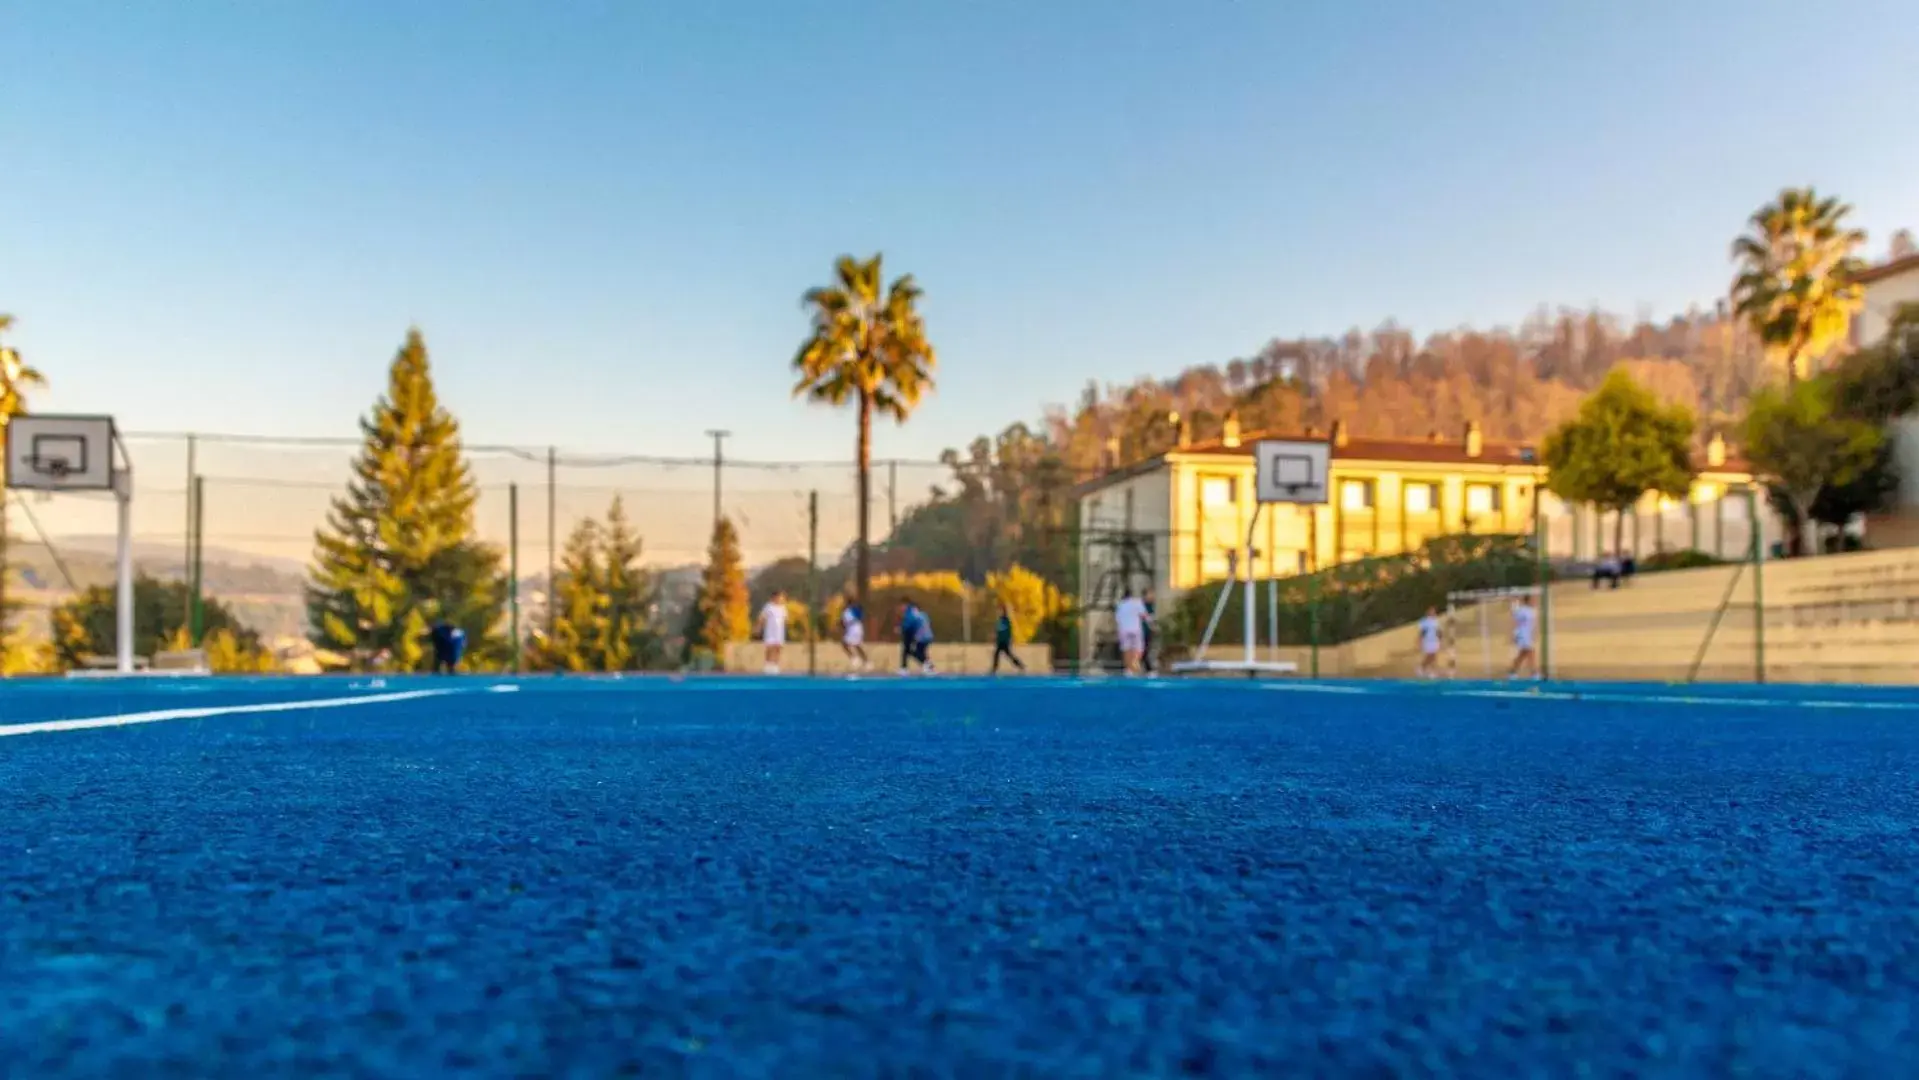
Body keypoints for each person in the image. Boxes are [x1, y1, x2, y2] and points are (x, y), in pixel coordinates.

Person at [1114, 588, 1151, 675]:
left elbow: (1117, 619)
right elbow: (1144, 615)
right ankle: (1135, 664)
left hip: (1124, 629)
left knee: (1126, 649)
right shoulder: (1137, 602)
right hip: (1135, 629)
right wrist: (1151, 622)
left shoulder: (1120, 604)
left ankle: (1128, 669)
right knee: (1138, 649)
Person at [898, 598, 935, 675]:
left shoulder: (910, 613)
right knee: (920, 652)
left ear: (906, 605)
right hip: (928, 635)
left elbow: (908, 625)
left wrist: (900, 629)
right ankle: (928, 667)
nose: (901, 608)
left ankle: (928, 666)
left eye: (902, 606)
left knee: (913, 651)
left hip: (921, 636)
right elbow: (927, 622)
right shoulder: (922, 613)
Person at [755, 590, 788, 675]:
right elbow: (762, 617)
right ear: (774, 597)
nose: (781, 599)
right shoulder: (768, 606)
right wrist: (758, 627)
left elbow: (785, 619)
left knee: (778, 648)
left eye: (782, 597)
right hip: (770, 631)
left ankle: (775, 666)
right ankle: (768, 665)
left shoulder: (783, 608)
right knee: (770, 648)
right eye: (779, 597)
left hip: (779, 632)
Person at [1509, 595, 1539, 680]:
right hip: (1522, 635)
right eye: (1532, 600)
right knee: (1531, 653)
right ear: (1528, 601)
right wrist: (1514, 603)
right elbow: (1515, 615)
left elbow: (1532, 625)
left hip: (1528, 635)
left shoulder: (1532, 611)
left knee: (1522, 655)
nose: (1534, 602)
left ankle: (1512, 672)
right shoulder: (1522, 610)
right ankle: (1534, 674)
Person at [991, 604, 1025, 674]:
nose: (999, 612)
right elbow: (998, 631)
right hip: (1000, 641)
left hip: (1004, 641)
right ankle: (994, 668)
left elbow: (1008, 631)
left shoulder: (1006, 620)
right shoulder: (999, 620)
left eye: (1000, 611)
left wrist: (1009, 639)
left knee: (1007, 655)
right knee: (997, 654)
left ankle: (1020, 665)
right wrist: (995, 638)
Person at [840, 592, 869, 672]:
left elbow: (845, 621)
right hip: (853, 629)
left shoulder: (853, 609)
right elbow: (843, 622)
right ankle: (861, 660)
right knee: (853, 645)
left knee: (851, 645)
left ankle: (861, 660)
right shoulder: (848, 610)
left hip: (855, 629)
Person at [1415, 605, 1444, 679]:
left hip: (1435, 640)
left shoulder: (1436, 621)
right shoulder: (1424, 621)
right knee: (1429, 656)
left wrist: (1440, 640)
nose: (1432, 612)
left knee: (1434, 656)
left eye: (1433, 611)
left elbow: (1439, 632)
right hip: (1427, 641)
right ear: (1427, 612)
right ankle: (1421, 668)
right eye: (1431, 611)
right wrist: (1419, 641)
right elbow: (1422, 632)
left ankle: (1431, 671)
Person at [1140, 588, 1158, 674]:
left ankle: (1147, 668)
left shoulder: (1150, 606)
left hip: (1147, 631)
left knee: (1146, 649)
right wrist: (1153, 626)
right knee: (1144, 650)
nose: (1152, 596)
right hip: (1142, 631)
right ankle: (1148, 668)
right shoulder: (1142, 605)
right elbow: (1147, 619)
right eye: (1150, 594)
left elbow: (1151, 618)